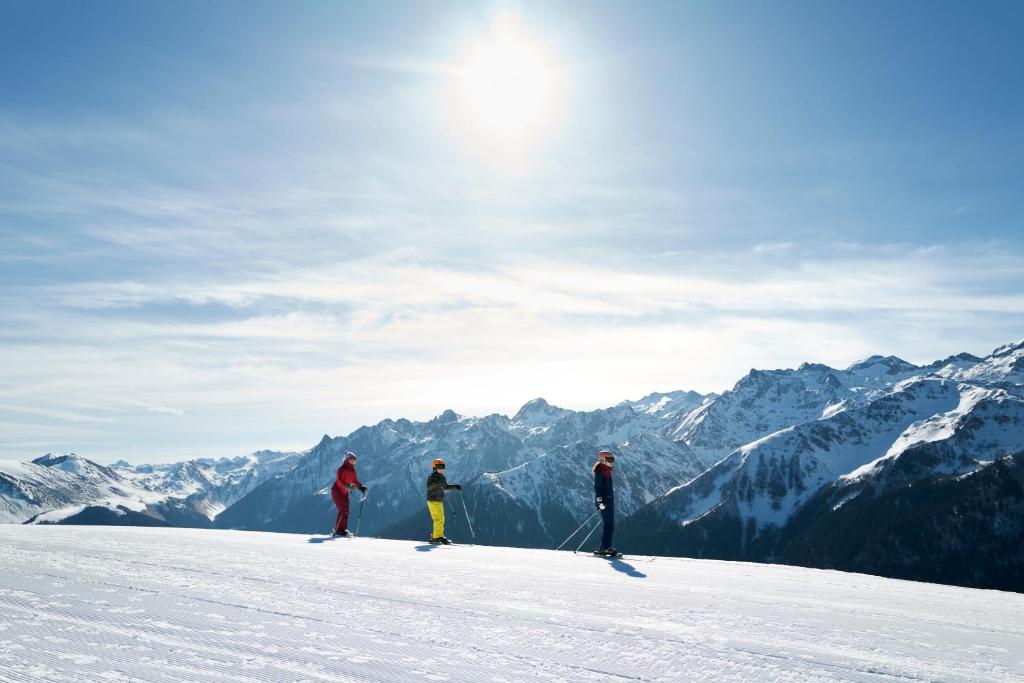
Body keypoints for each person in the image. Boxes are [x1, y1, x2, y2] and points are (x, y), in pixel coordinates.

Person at [426, 458, 461, 544]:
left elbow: (445, 487)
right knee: (438, 519)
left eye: (443, 467)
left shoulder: (442, 478)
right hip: (433, 501)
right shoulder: (432, 478)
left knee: (441, 519)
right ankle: (437, 537)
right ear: (435, 468)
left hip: (439, 500)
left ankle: (436, 536)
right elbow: (429, 487)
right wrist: (436, 483)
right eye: (440, 467)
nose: (442, 469)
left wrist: (455, 486)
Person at [331, 451, 366, 537]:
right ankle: (339, 530)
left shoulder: (353, 470)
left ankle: (343, 529)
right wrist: (346, 486)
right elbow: (339, 481)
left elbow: (355, 480)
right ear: (347, 460)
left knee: (346, 511)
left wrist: (360, 487)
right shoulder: (341, 469)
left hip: (345, 492)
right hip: (337, 491)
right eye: (352, 460)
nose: (354, 462)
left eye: (355, 460)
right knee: (342, 510)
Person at [593, 450, 618, 556]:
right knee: (608, 525)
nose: (612, 462)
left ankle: (606, 546)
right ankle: (604, 547)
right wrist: (599, 502)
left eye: (613, 459)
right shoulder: (600, 471)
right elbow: (597, 488)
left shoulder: (607, 471)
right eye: (609, 459)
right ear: (603, 460)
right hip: (604, 503)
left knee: (610, 525)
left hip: (609, 502)